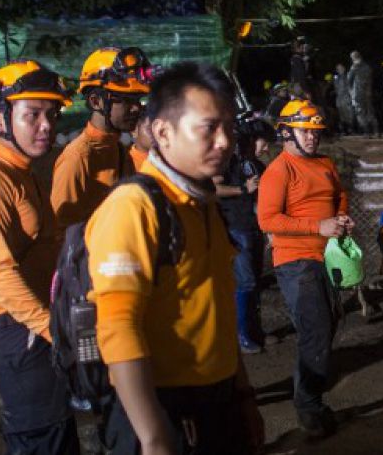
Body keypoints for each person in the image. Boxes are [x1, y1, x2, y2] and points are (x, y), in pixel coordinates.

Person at [85, 62, 264, 454]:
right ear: (163, 131)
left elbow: (215, 310)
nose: (224, 142)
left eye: (230, 128)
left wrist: (243, 396)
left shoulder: (202, 204)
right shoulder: (133, 207)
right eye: (209, 128)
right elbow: (117, 325)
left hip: (217, 404)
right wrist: (153, 437)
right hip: (162, 409)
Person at [0, 60, 79, 453]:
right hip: (13, 330)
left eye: (52, 114)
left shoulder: (21, 171)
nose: (46, 125)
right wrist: (51, 329)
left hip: (33, 322)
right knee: (41, 439)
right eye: (33, 115)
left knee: (57, 431)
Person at [257, 100, 353, 437]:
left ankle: (311, 400)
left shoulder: (324, 163)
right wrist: (318, 226)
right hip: (295, 260)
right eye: (305, 131)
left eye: (315, 131)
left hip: (325, 256)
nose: (312, 137)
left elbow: (339, 195)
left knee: (328, 325)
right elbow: (267, 219)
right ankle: (308, 408)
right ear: (285, 132)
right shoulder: (279, 171)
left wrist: (341, 216)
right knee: (316, 331)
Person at [51, 47, 152, 230]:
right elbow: (63, 234)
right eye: (126, 100)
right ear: (96, 101)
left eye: (137, 100)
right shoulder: (78, 158)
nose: (136, 108)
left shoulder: (118, 150)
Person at [216, 115, 276, 354]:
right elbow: (213, 187)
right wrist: (242, 189)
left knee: (255, 283)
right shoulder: (228, 161)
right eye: (264, 141)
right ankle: (242, 336)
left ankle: (255, 331)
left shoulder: (258, 165)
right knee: (245, 282)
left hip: (254, 229)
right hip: (235, 227)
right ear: (251, 139)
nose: (267, 147)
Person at [348, 51, 379, 137]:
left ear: (353, 58)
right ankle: (376, 131)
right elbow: (370, 80)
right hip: (368, 93)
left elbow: (349, 80)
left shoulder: (354, 67)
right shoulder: (367, 67)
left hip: (358, 93)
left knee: (360, 113)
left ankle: (367, 132)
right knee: (370, 111)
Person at [331, 65, 355, 135]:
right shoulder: (336, 78)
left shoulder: (347, 77)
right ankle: (344, 130)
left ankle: (351, 129)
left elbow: (351, 88)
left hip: (347, 98)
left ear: (344, 69)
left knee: (349, 115)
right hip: (339, 100)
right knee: (341, 115)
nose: (340, 70)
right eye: (338, 69)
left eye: (341, 68)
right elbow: (335, 88)